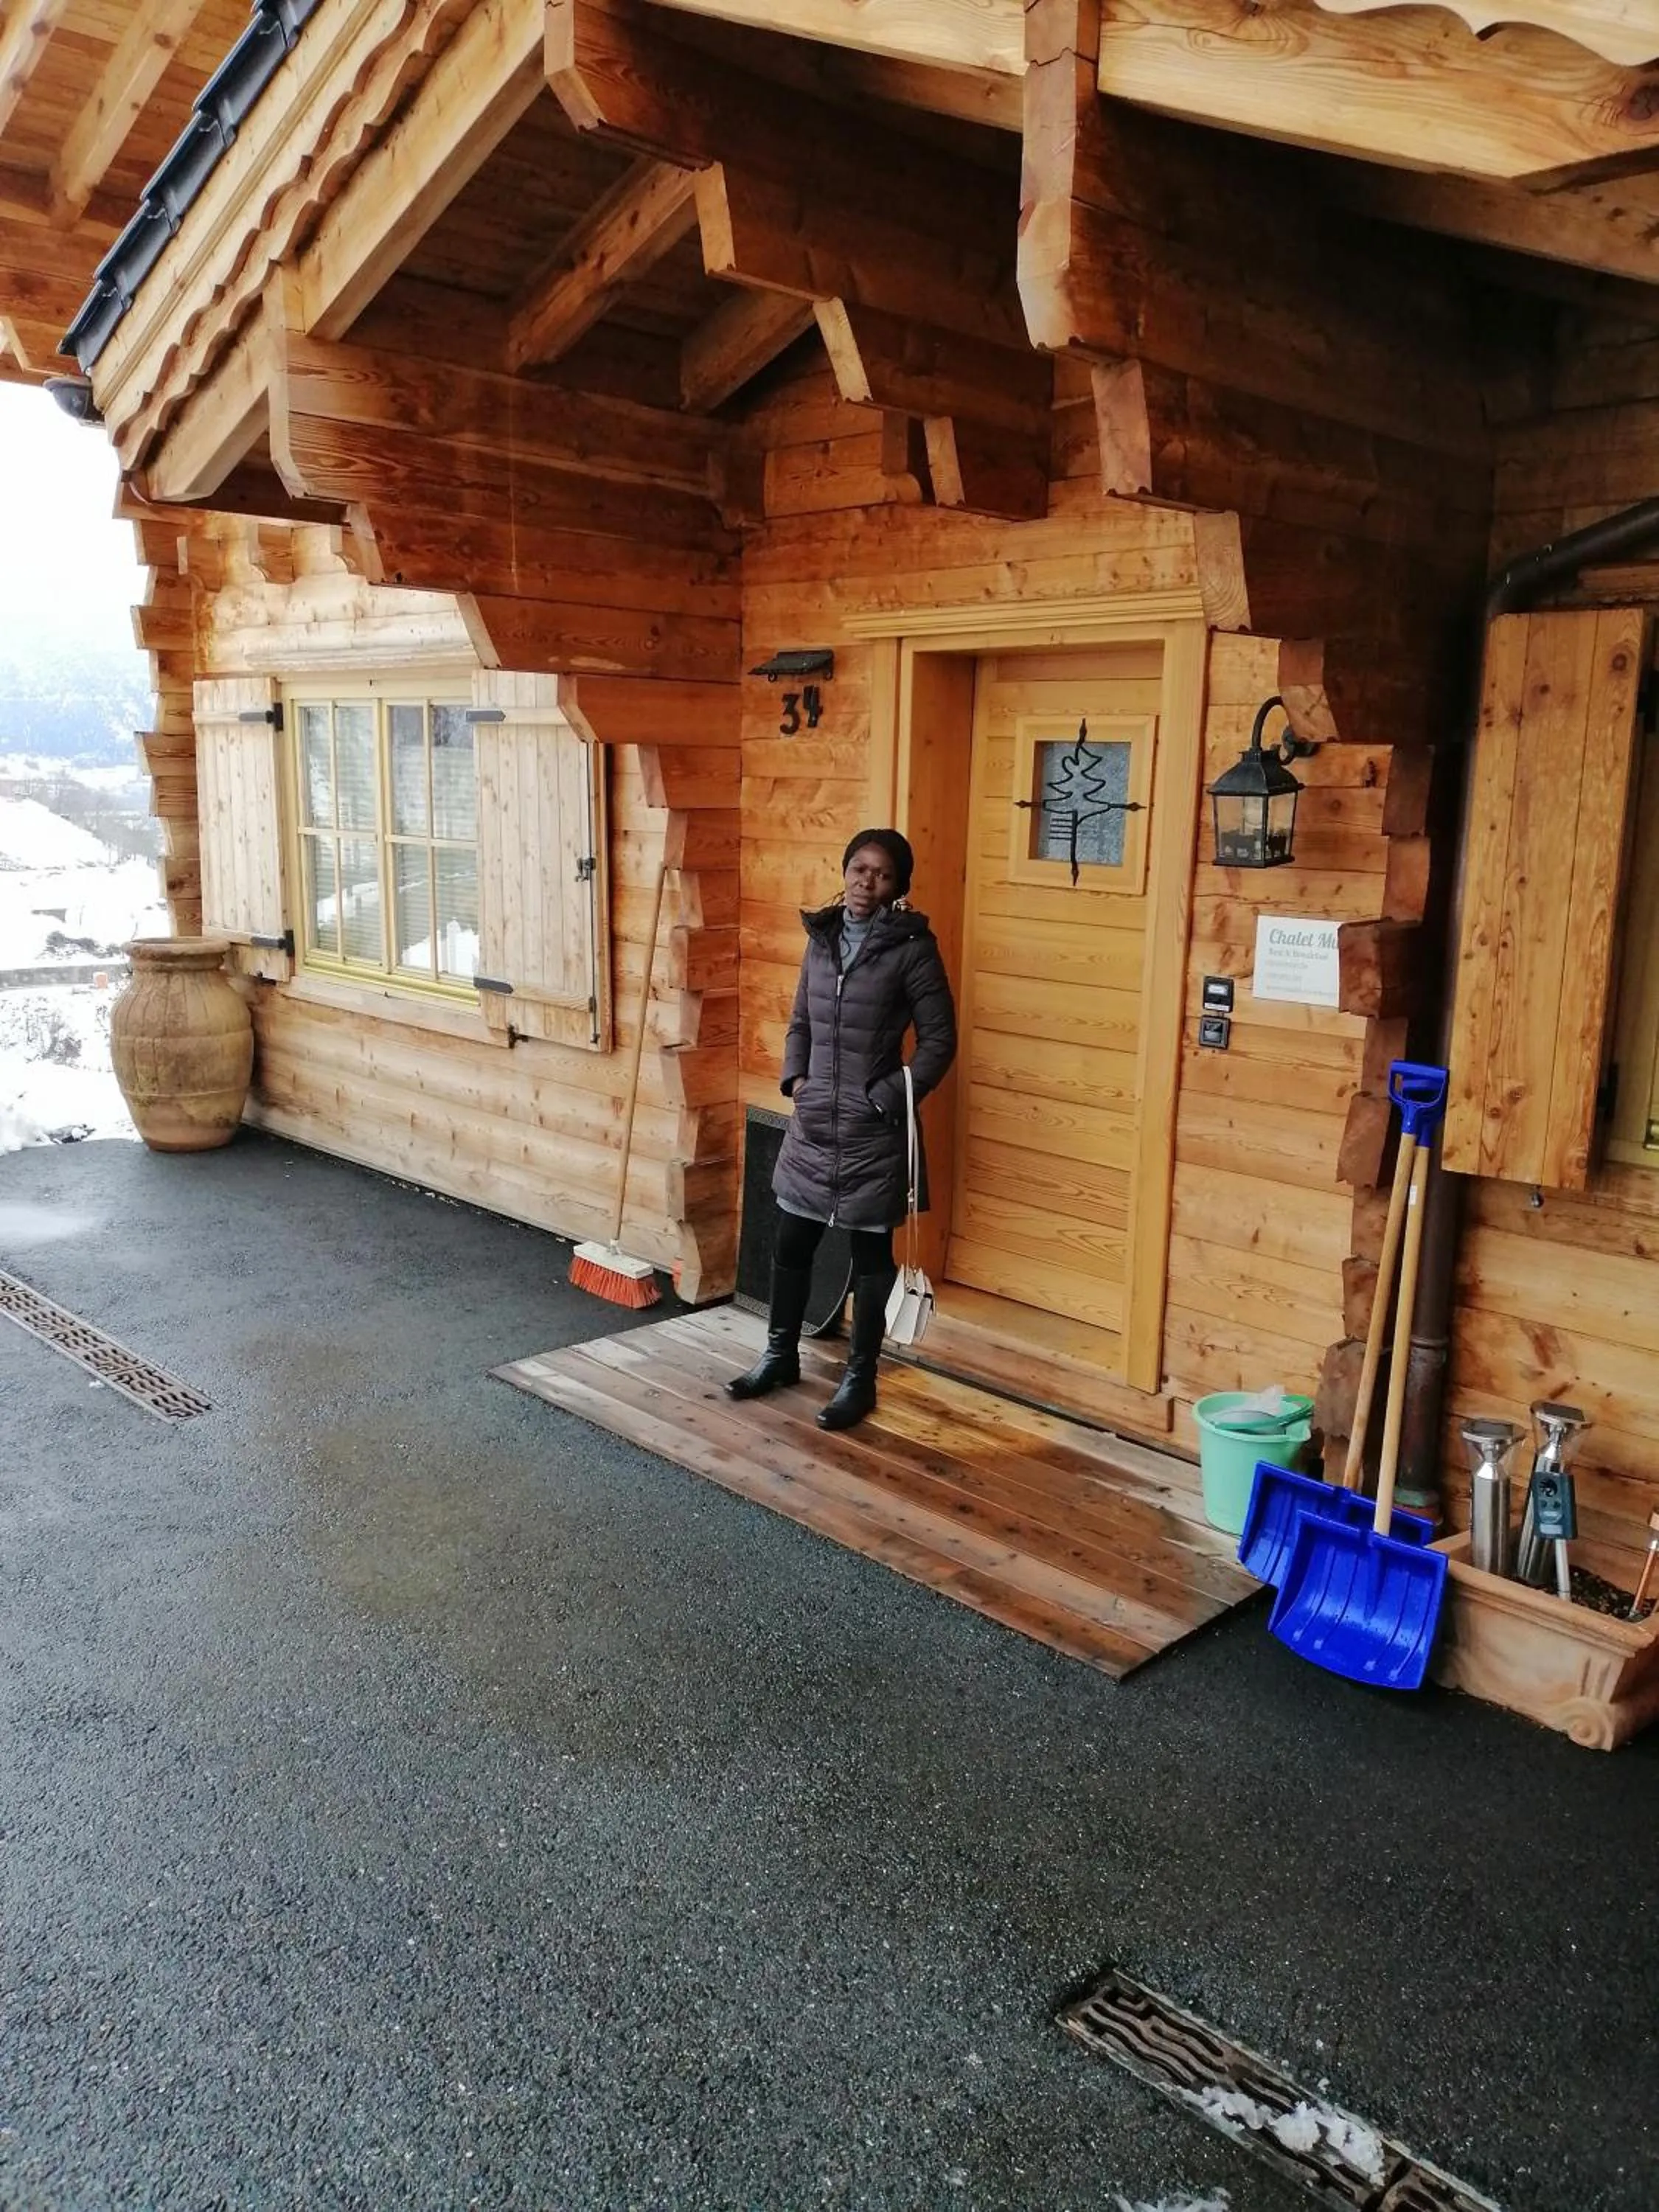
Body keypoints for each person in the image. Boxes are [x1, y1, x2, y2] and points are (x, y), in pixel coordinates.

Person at [728, 827, 957, 1431]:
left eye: (881, 874)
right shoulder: (822, 941)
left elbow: (940, 1041)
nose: (866, 882)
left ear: (897, 887)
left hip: (871, 1131)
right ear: (845, 871)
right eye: (859, 868)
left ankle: (861, 1378)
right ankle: (779, 1356)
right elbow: (800, 1018)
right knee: (792, 1242)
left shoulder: (914, 950)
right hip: (813, 1123)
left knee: (869, 1252)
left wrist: (886, 1098)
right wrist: (796, 1081)